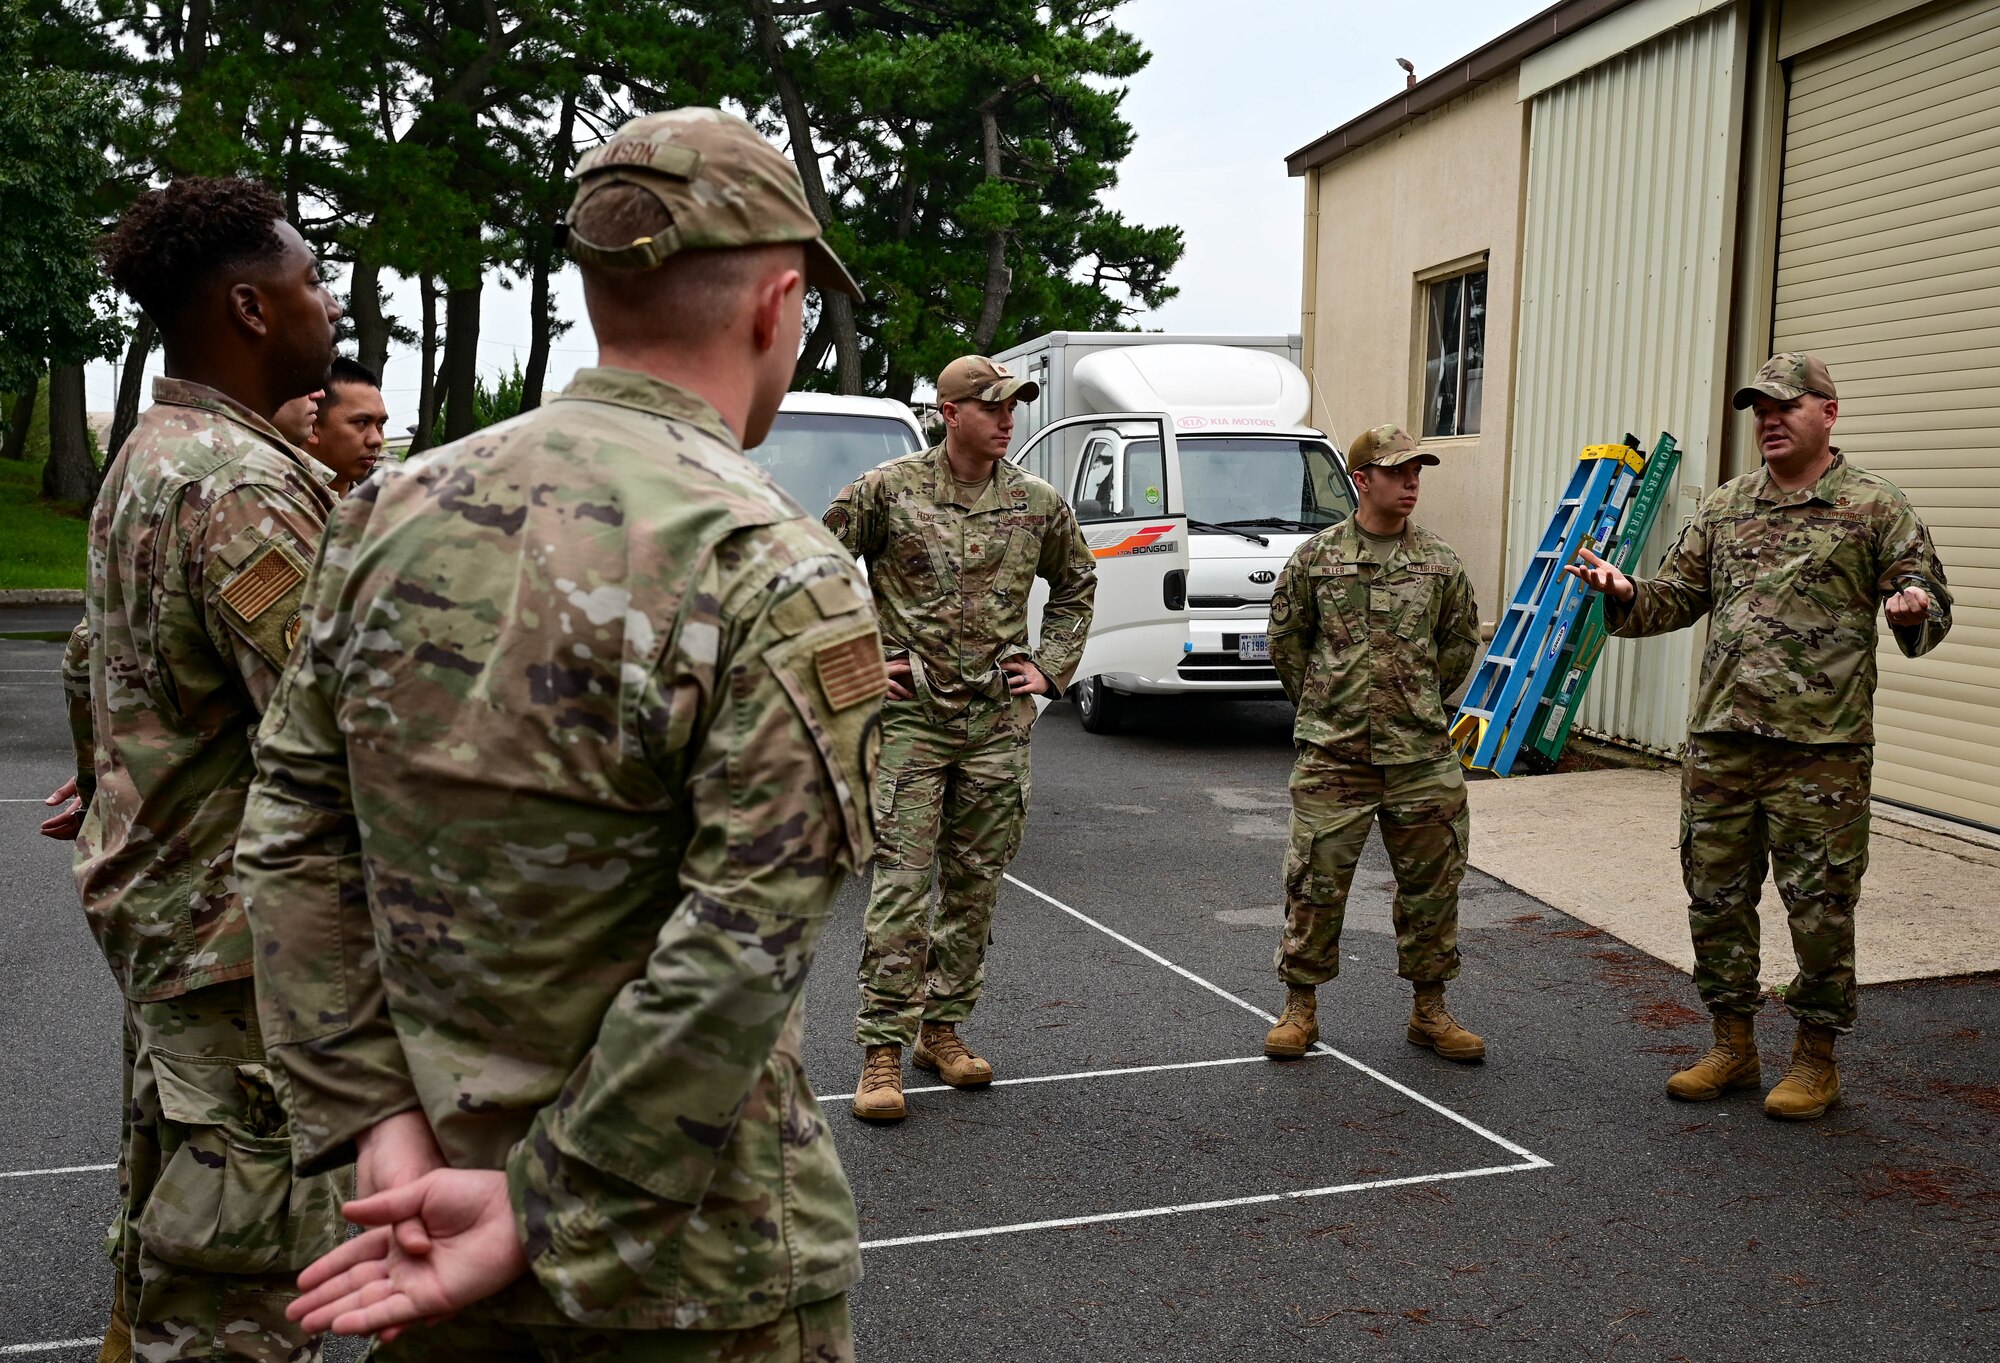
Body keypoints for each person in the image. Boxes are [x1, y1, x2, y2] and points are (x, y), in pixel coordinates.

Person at [236, 107, 880, 1356]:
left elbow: (290, 842)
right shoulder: (773, 566)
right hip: (688, 1269)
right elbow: (736, 948)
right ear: (778, 304)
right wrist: (543, 1206)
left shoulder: (383, 514)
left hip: (415, 1218)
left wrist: (377, 1119)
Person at [79, 175, 347, 1361]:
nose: (327, 306)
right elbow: (337, 718)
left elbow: (107, 660)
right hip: (237, 942)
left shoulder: (158, 446)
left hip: (181, 920)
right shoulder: (235, 485)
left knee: (175, 1237)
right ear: (250, 307)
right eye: (310, 282)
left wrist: (117, 774)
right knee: (241, 1295)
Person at [1567, 352, 1952, 1120]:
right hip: (1722, 745)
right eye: (1759, 409)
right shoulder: (1725, 506)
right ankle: (1732, 1043)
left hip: (1821, 753)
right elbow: (1675, 597)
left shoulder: (1875, 506)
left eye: (1785, 406)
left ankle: (1816, 1056)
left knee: (1820, 906)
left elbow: (1927, 597)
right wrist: (1626, 591)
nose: (1769, 420)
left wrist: (1912, 610)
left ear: (1828, 413)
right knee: (1714, 896)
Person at [825, 354, 1097, 1122]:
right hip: (912, 721)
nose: (1007, 417)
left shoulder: (1037, 503)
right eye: (992, 405)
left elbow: (1077, 584)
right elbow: (813, 566)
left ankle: (941, 1027)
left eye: (1014, 405)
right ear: (949, 412)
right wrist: (857, 660)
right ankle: (881, 1047)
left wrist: (1049, 667)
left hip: (994, 724)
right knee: (903, 886)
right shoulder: (890, 491)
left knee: (974, 886)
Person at [1262, 424, 1485, 1065]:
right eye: (1398, 472)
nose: (1412, 482)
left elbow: (1458, 645)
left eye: (1418, 471)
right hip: (1334, 755)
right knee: (1315, 882)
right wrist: (1330, 707)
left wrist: (1414, 704)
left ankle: (1430, 1010)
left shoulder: (1439, 562)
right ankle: (1299, 1008)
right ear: (1363, 480)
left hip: (1420, 755)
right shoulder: (1316, 558)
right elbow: (1289, 646)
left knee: (1433, 885)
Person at [309, 356, 390, 493]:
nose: (376, 440)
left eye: (381, 424)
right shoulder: (275, 500)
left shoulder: (377, 510)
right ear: (312, 426)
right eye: (361, 422)